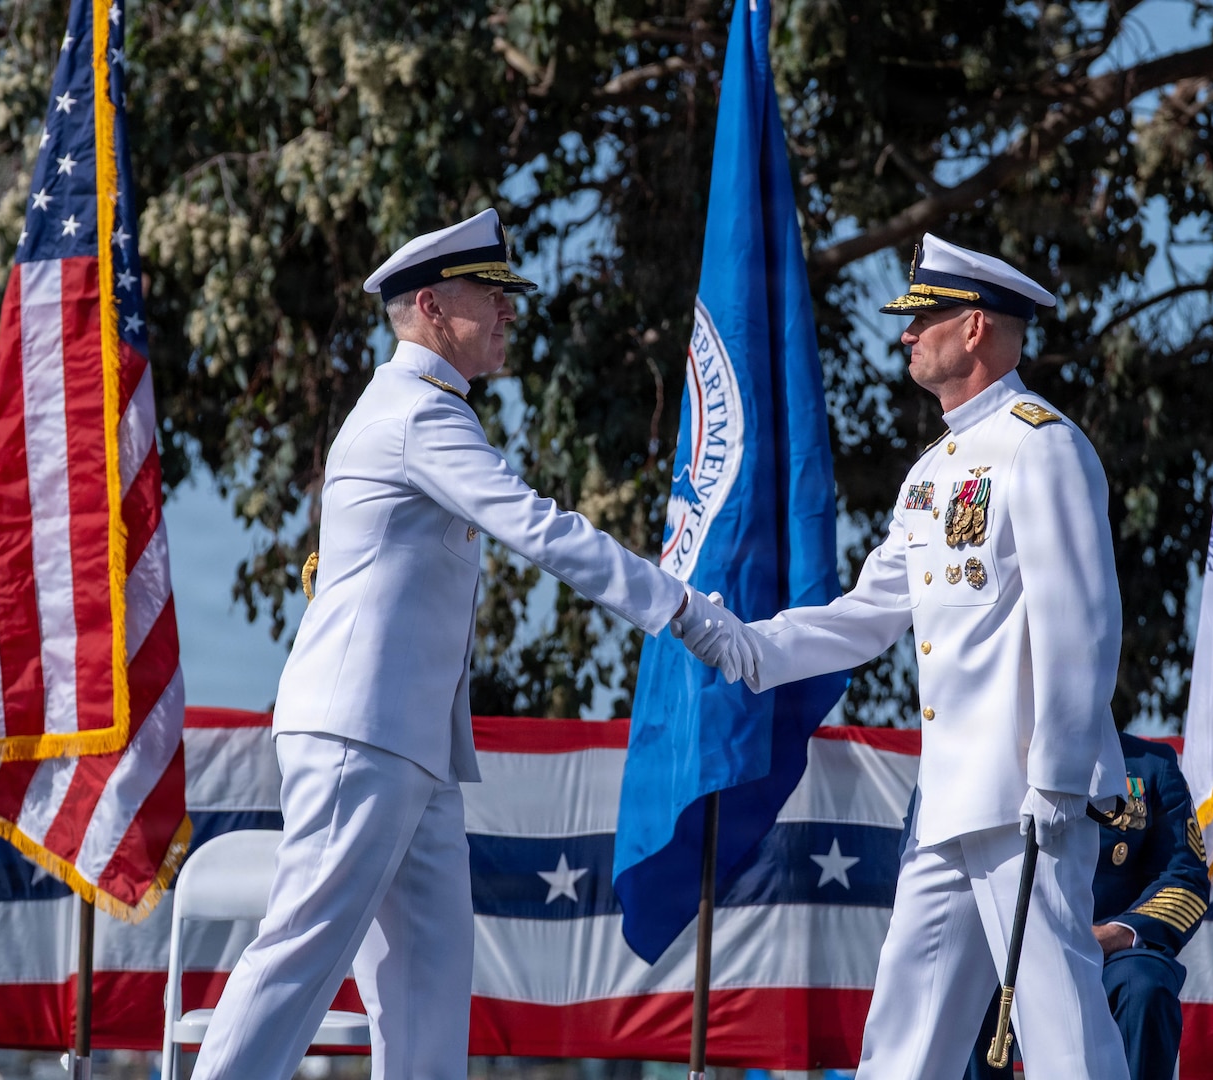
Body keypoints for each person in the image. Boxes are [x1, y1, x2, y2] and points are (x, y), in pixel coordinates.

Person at [189, 208, 752, 1080]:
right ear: (431, 308)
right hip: (362, 734)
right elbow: (545, 531)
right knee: (302, 952)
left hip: (408, 747)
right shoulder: (417, 415)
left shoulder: (421, 411)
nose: (508, 313)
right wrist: (684, 612)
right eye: (490, 296)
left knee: (426, 985)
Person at [684, 234, 1130, 1080]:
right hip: (947, 804)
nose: (904, 334)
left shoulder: (1041, 445)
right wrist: (743, 644)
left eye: (920, 318)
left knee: (1060, 1027)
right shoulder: (933, 472)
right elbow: (866, 616)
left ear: (971, 328)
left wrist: (1059, 779)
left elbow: (1083, 626)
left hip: (1022, 796)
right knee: (904, 1035)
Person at [965, 731, 1211, 1080]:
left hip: (1110, 955)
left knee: (1143, 986)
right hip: (1011, 947)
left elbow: (1185, 879)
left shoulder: (1151, 766)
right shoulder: (985, 758)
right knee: (970, 983)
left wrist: (1116, 934)